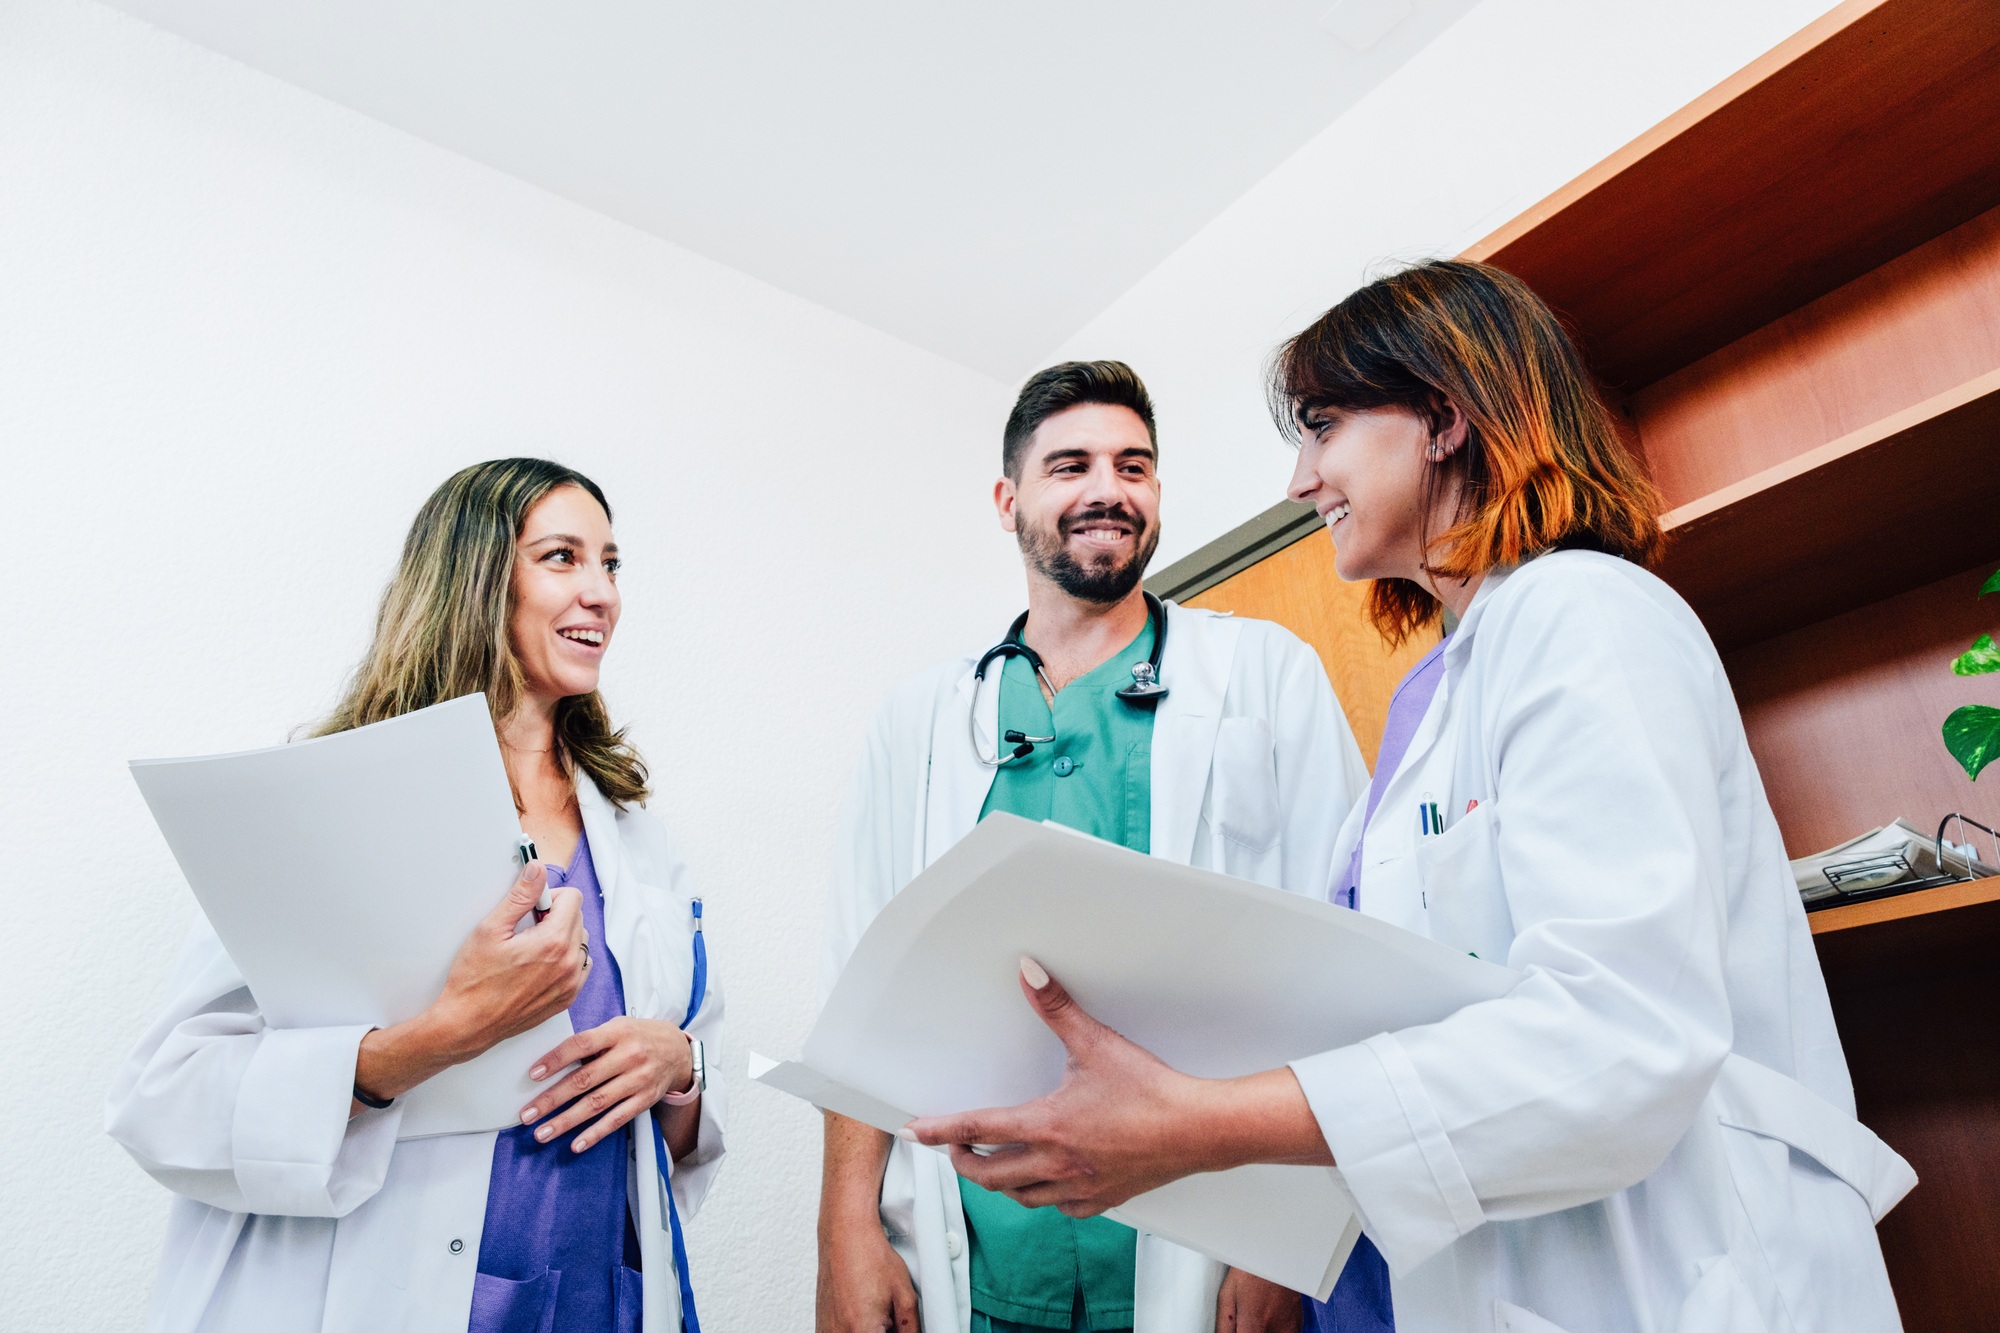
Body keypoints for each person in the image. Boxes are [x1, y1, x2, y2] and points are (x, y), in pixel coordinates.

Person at [903, 264, 1914, 1333]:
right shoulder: (1436, 694)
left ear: (1439, 417)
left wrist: (1202, 1123)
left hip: (1675, 1273)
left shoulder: (1584, 614)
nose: (1300, 479)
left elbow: (1617, 1035)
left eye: (1322, 425)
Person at [107, 459, 726, 1333]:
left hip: (602, 1291)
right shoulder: (333, 803)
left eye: (612, 563)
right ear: (475, 580)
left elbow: (679, 1099)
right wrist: (430, 1042)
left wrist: (680, 1071)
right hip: (401, 1292)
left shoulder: (635, 835)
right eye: (562, 557)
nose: (602, 593)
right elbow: (162, 1098)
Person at [817, 361, 1371, 1333]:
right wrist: (844, 1230)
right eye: (1069, 464)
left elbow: (1338, 965)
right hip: (979, 1248)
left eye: (1133, 465)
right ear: (1008, 499)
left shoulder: (1262, 674)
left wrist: (1286, 1231)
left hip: (1209, 1234)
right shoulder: (918, 723)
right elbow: (864, 988)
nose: (1106, 489)